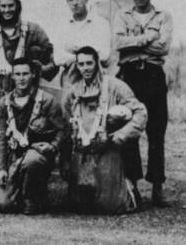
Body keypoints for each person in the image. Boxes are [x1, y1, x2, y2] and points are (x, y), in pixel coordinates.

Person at [62, 46, 146, 214]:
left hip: (109, 146)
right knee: (80, 205)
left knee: (110, 206)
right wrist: (65, 160)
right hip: (83, 149)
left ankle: (127, 185)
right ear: (76, 66)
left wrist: (120, 135)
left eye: (89, 63)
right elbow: (65, 127)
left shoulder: (115, 86)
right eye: (81, 64)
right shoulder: (73, 91)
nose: (85, 68)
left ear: (97, 64)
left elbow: (140, 112)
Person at [113, 0, 172, 207]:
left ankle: (157, 187)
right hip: (130, 77)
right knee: (130, 128)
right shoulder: (122, 16)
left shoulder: (163, 16)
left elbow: (164, 46)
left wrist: (133, 42)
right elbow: (118, 44)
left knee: (157, 131)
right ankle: (133, 186)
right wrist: (147, 38)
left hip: (154, 76)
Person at [0, 58, 65, 214]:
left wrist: (53, 146)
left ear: (33, 75)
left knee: (32, 160)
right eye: (17, 74)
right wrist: (0, 168)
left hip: (37, 155)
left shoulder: (47, 100)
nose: (21, 78)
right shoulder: (3, 103)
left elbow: (61, 130)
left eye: (25, 73)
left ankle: (31, 198)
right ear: (12, 76)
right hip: (14, 155)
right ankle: (17, 192)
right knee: (2, 204)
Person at [0, 0, 56, 103]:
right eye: (3, 6)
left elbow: (53, 60)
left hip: (26, 93)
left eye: (11, 6)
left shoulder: (33, 30)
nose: (7, 10)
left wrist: (38, 69)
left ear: (17, 6)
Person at [53, 0, 111, 86]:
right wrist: (89, 52)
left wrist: (73, 54)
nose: (75, 2)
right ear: (67, 1)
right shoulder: (62, 26)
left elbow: (104, 55)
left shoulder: (101, 24)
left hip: (96, 80)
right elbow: (57, 58)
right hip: (70, 80)